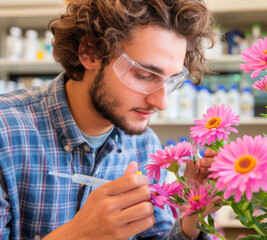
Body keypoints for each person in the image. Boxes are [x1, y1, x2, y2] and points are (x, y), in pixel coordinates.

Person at [0, 0, 218, 239]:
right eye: (144, 75)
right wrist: (78, 234)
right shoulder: (6, 132)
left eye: (170, 80)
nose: (161, 103)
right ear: (90, 52)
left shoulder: (144, 145)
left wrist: (192, 217)